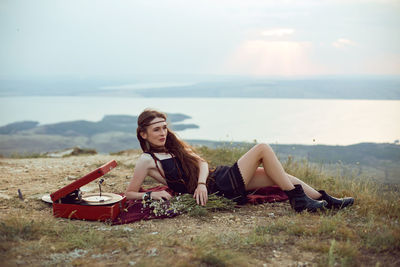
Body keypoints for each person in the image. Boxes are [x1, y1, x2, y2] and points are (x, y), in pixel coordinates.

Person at [125, 109, 354, 212]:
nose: (162, 133)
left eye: (164, 127)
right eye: (156, 129)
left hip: (214, 180)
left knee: (280, 176)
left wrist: (202, 182)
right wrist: (151, 194)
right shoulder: (147, 160)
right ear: (144, 134)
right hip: (220, 188)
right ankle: (300, 202)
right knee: (262, 148)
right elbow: (129, 193)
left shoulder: (173, 146)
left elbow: (202, 163)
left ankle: (325, 201)